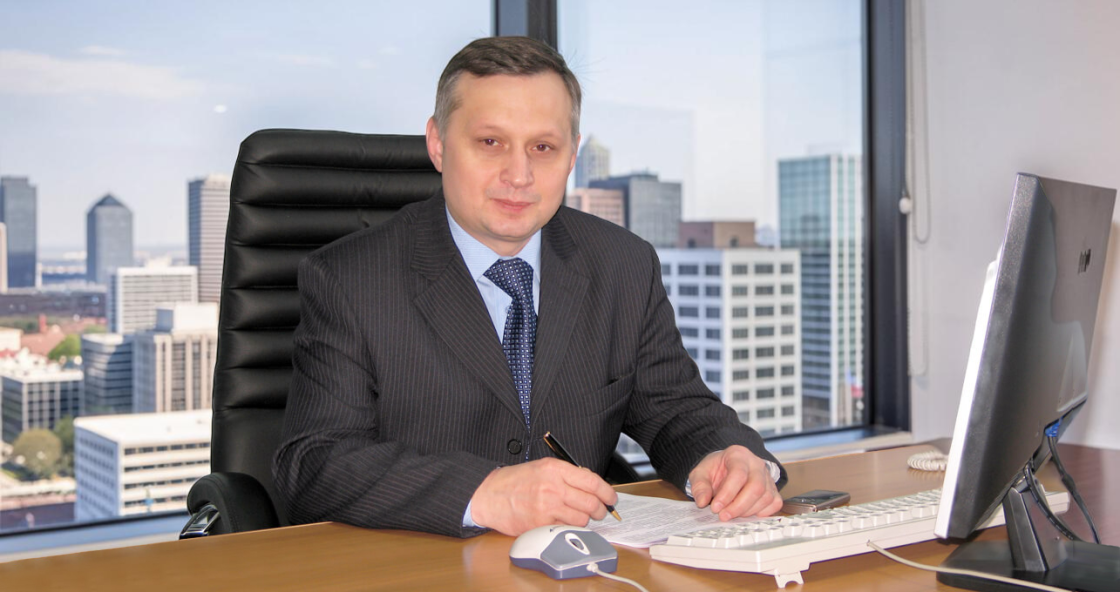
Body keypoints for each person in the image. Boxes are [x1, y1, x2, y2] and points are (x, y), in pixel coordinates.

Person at [274, 36, 786, 539]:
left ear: (572, 155)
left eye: (543, 147)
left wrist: (726, 458)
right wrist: (485, 493)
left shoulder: (623, 265)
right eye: (490, 142)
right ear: (438, 143)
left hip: (584, 564)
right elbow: (315, 462)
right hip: (418, 563)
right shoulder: (350, 278)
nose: (518, 175)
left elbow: (678, 409)